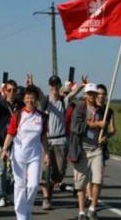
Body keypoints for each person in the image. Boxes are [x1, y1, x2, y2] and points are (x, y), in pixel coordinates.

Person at [1, 85, 50, 220]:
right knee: (20, 186)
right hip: (19, 155)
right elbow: (10, 134)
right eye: (27, 98)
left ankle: (27, 208)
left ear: (36, 100)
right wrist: (5, 149)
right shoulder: (18, 115)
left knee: (34, 185)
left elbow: (44, 137)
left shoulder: (42, 117)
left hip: (35, 155)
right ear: (23, 99)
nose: (30, 100)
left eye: (32, 98)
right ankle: (21, 215)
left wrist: (47, 153)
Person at [39, 75, 86, 210]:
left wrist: (81, 86)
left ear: (59, 86)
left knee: (59, 173)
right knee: (45, 171)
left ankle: (53, 185)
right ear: (50, 86)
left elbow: (72, 94)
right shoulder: (46, 102)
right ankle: (46, 198)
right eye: (52, 85)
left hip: (60, 141)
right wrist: (33, 85)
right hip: (47, 141)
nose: (54, 87)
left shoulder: (63, 102)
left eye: (56, 85)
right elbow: (40, 94)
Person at [70, 83, 105, 220]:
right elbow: (75, 127)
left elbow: (106, 129)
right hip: (81, 149)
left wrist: (104, 136)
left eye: (94, 93)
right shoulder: (79, 109)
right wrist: (94, 124)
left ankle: (92, 208)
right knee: (81, 183)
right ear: (85, 95)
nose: (92, 96)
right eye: (89, 93)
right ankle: (81, 211)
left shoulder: (101, 110)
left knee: (98, 180)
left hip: (96, 148)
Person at [0, 79, 19, 207]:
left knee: (13, 171)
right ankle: (1, 195)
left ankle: (9, 193)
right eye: (9, 90)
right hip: (1, 142)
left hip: (17, 143)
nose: (12, 93)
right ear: (5, 91)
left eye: (14, 90)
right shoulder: (0, 105)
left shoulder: (20, 104)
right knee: (1, 171)